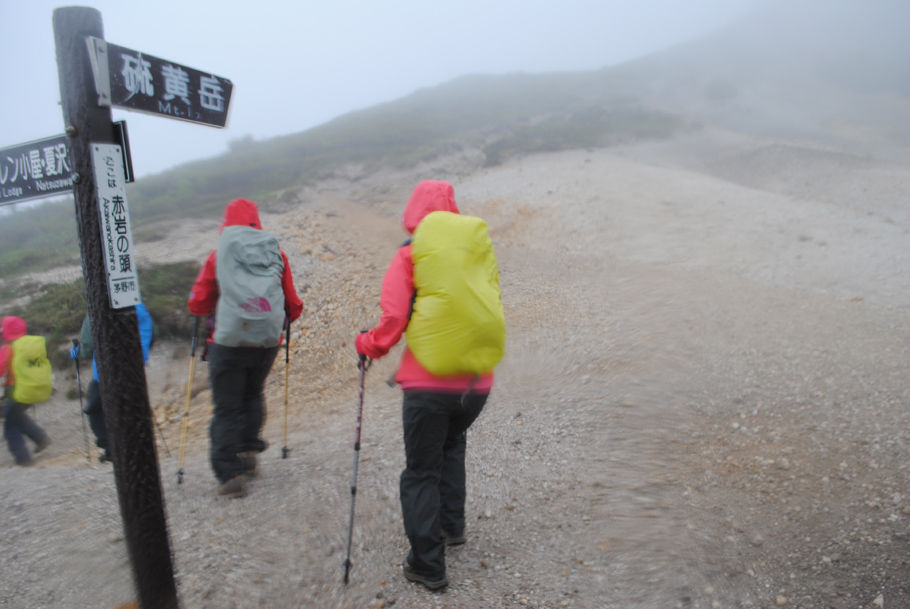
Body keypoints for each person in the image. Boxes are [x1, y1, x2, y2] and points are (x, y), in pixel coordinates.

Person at [355, 180, 503, 591]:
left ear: (413, 213)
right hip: (477, 382)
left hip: (429, 384)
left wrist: (365, 343)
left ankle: (427, 565)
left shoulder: (410, 253)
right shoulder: (476, 252)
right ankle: (452, 528)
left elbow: (392, 322)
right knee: (453, 446)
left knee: (421, 470)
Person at [187, 198, 303, 498]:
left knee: (227, 405)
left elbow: (198, 303)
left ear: (226, 223)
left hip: (228, 341)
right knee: (253, 393)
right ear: (257, 221)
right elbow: (293, 305)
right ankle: (248, 455)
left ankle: (229, 474)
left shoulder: (219, 255)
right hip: (266, 341)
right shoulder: (277, 254)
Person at [70, 302, 154, 463]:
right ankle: (138, 447)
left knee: (95, 409)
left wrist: (75, 352)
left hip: (105, 370)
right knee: (130, 407)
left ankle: (111, 448)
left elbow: (88, 347)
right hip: (134, 368)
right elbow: (153, 334)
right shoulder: (138, 305)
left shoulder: (97, 304)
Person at [1, 316, 51, 466]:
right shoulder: (30, 345)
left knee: (10, 427)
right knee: (18, 417)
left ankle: (23, 459)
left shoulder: (9, 348)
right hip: (32, 389)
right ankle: (41, 439)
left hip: (16, 392)